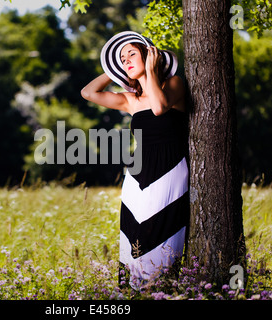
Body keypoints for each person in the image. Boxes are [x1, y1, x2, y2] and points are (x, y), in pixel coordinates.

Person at [81, 31, 190, 289]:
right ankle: (134, 293)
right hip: (137, 174)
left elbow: (159, 107)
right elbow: (88, 92)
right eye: (121, 57)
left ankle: (161, 290)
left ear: (149, 55)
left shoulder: (174, 84)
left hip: (170, 169)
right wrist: (114, 70)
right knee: (135, 235)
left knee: (161, 233)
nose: (126, 59)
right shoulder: (130, 100)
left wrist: (152, 69)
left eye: (132, 53)